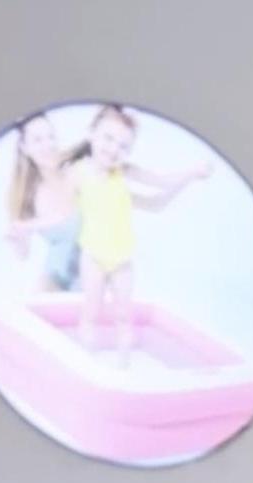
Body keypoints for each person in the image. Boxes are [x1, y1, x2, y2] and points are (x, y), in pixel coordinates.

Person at [70, 104, 213, 367]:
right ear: (91, 134)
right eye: (108, 138)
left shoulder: (123, 174)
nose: (114, 149)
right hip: (92, 257)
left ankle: (124, 367)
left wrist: (192, 174)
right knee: (90, 313)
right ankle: (85, 364)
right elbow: (58, 205)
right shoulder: (78, 172)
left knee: (124, 316)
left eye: (123, 146)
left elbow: (160, 188)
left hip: (122, 260)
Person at [5, 112, 81, 291]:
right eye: (38, 140)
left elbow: (65, 213)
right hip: (58, 268)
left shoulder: (76, 170)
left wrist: (30, 225)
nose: (48, 145)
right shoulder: (25, 194)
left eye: (51, 137)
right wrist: (17, 239)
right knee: (39, 293)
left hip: (95, 266)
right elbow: (23, 254)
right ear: (24, 148)